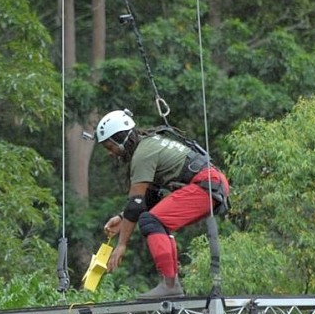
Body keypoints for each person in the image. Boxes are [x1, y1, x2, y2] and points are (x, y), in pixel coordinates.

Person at [96, 109, 230, 299]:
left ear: (121, 139)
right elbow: (148, 198)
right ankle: (171, 283)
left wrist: (121, 245)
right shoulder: (150, 145)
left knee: (150, 221)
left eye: (111, 147)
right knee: (159, 222)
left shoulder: (142, 155)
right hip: (211, 183)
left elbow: (135, 205)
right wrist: (121, 218)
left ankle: (169, 285)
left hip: (205, 185)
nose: (112, 154)